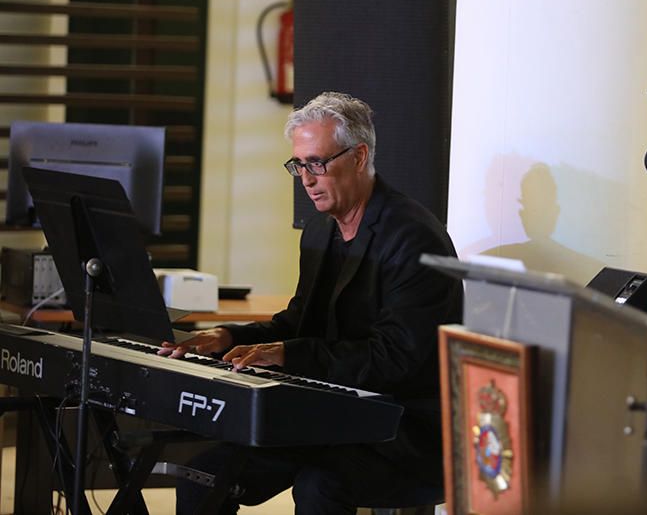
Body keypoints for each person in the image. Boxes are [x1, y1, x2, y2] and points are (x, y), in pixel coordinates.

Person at [160, 92, 463, 514]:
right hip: (332, 416)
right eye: (298, 165)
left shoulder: (415, 238)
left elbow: (397, 359)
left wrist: (288, 354)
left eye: (317, 163)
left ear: (359, 157)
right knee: (206, 474)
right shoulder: (321, 232)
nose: (306, 178)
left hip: (404, 429)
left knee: (321, 486)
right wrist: (227, 335)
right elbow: (299, 323)